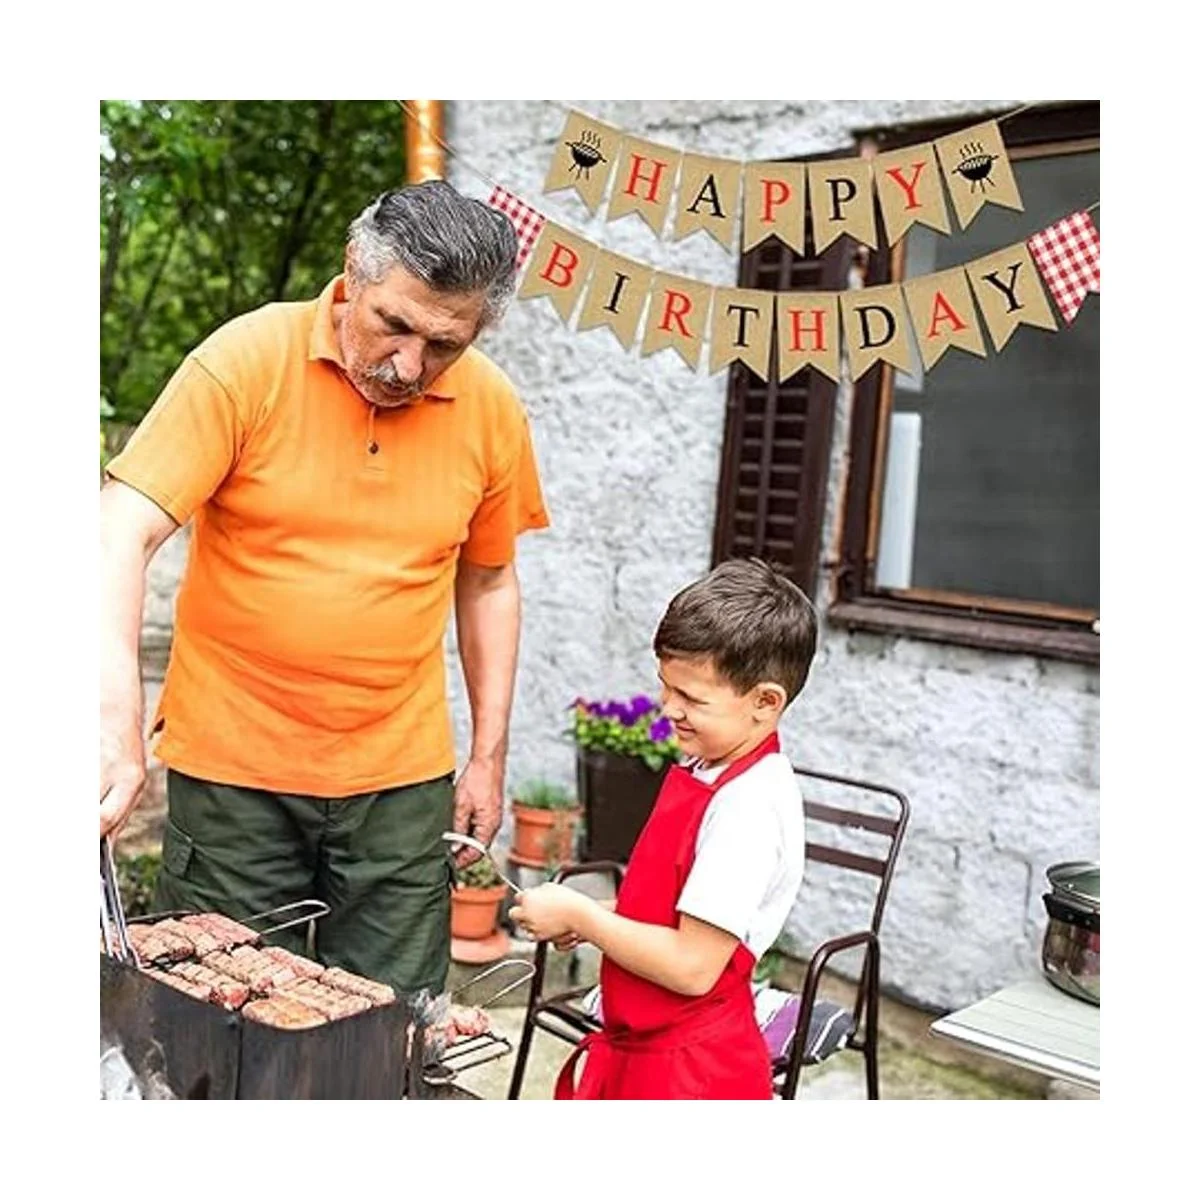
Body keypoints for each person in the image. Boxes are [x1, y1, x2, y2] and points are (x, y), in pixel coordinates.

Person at [100, 181, 549, 996]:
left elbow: (489, 580)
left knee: (394, 1020)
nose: (409, 366)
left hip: (399, 784)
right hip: (234, 774)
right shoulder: (245, 362)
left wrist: (487, 757)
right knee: (220, 1013)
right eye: (393, 325)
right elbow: (118, 526)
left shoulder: (491, 408)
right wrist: (112, 722)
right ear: (352, 272)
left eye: (444, 344)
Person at [511, 557, 816, 1099]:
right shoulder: (709, 767)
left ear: (765, 702)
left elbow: (693, 965)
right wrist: (599, 917)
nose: (667, 708)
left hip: (690, 1073)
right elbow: (675, 912)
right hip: (649, 1052)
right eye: (665, 686)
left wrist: (581, 914)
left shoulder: (748, 807)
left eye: (691, 698)